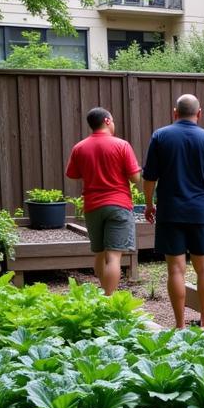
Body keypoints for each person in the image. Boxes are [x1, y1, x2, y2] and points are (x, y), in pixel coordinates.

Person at [142, 94, 204, 329]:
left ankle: (180, 325)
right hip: (200, 212)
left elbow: (149, 177)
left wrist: (149, 203)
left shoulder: (160, 136)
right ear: (199, 114)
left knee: (175, 269)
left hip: (170, 212)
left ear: (175, 112)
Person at [64, 107, 141, 295]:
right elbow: (135, 179)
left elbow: (72, 175)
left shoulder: (79, 147)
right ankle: (109, 299)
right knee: (114, 256)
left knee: (99, 253)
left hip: (92, 207)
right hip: (118, 205)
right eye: (113, 121)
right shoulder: (122, 145)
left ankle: (102, 294)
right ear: (107, 121)